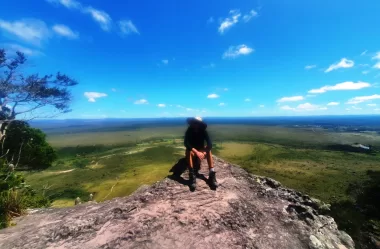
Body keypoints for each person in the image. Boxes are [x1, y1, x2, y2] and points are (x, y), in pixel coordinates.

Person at [184, 117, 217, 190]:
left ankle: (212, 173)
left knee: (208, 150)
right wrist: (197, 152)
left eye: (197, 123)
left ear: (200, 124)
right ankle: (192, 175)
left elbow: (210, 144)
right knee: (188, 150)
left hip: (201, 150)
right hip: (193, 151)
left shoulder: (203, 131)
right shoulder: (189, 131)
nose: (195, 124)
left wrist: (204, 152)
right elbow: (186, 143)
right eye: (194, 123)